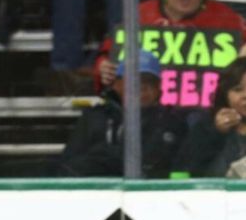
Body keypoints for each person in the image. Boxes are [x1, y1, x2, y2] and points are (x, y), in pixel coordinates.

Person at [93, 0, 246, 107]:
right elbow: (107, 55)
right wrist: (103, 67)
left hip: (206, 117)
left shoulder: (223, 16)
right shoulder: (140, 14)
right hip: (147, 114)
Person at [55, 49, 187, 178]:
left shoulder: (173, 123)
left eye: (150, 82)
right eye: (134, 82)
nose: (142, 89)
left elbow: (179, 172)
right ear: (117, 85)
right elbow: (67, 169)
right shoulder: (94, 117)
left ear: (159, 88)